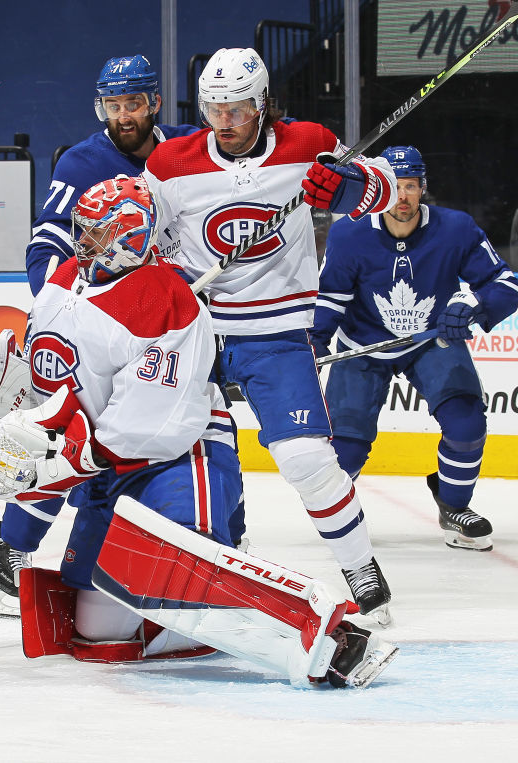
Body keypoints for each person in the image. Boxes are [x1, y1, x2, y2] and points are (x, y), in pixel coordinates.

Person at [0, 175, 397, 689]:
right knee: (97, 631)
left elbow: (155, 424)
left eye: (96, 234)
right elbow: (57, 372)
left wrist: (65, 462)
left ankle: (332, 638)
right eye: (82, 231)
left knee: (183, 575)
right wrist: (29, 417)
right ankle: (206, 617)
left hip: (177, 458)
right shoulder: (67, 276)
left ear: (129, 240)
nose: (82, 242)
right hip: (107, 461)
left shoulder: (166, 303)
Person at [0, 55, 218, 619]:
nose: (124, 115)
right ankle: (10, 557)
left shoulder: (183, 153)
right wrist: (65, 310)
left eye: (133, 104)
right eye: (113, 105)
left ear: (154, 103)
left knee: (148, 436)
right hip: (98, 316)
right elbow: (48, 240)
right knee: (63, 436)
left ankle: (204, 535)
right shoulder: (82, 161)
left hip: (168, 314)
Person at [143, 48, 399, 625]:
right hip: (195, 333)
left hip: (277, 334)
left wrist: (353, 186)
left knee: (306, 457)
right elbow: (139, 229)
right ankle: (226, 563)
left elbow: (383, 185)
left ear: (261, 105)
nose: (224, 121)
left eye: (236, 109)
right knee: (193, 459)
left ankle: (360, 567)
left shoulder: (308, 142)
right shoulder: (172, 160)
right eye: (213, 109)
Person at [311, 145, 518, 551]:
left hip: (431, 341)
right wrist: (313, 344)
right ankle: (342, 521)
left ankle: (454, 506)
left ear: (423, 188)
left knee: (466, 424)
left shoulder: (456, 229)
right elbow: (330, 298)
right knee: (346, 454)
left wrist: (475, 303)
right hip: (363, 345)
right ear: (379, 191)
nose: (402, 198)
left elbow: (505, 281)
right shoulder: (350, 233)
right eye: (394, 187)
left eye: (411, 187)